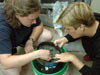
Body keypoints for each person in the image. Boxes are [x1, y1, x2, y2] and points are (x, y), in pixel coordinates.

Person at [0, 0, 53, 75]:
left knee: (47, 35)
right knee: (14, 72)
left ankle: (22, 44)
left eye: (36, 18)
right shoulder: (2, 29)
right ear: (17, 15)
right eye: (31, 19)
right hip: (3, 48)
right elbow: (6, 63)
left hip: (18, 37)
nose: (34, 21)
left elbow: (39, 25)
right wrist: (36, 54)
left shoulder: (28, 11)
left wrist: (30, 40)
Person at [54, 2, 100, 75]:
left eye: (68, 29)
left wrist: (73, 58)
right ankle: (93, 56)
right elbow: (78, 30)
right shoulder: (90, 16)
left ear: (82, 27)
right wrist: (66, 38)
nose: (66, 31)